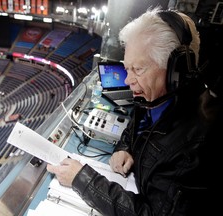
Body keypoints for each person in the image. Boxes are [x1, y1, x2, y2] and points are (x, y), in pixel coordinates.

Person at [47, 7, 219, 215]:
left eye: (138, 69)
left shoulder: (195, 147)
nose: (128, 81)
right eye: (127, 68)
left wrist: (83, 180)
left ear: (177, 71)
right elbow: (137, 124)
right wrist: (125, 147)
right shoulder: (154, 96)